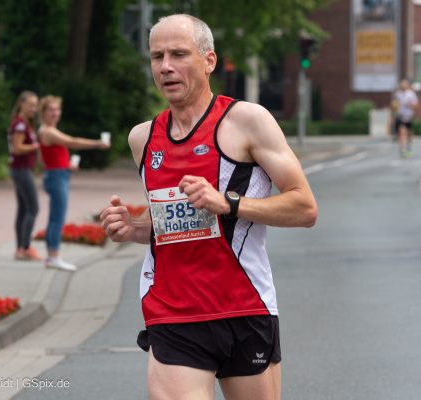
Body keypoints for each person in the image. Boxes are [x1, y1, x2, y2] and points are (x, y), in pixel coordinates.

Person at [99, 14, 317, 400]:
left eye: (179, 54)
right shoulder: (142, 139)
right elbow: (172, 221)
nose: (166, 66)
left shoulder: (248, 121)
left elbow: (304, 207)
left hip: (244, 307)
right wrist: (134, 228)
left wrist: (229, 203)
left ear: (209, 61)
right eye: (157, 56)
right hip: (173, 313)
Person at [38, 96, 110, 271]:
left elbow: (44, 158)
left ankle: (52, 256)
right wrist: (97, 143)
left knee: (55, 217)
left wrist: (66, 165)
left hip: (57, 174)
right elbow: (72, 142)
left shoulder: (46, 131)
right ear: (43, 112)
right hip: (56, 177)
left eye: (57, 109)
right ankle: (53, 257)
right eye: (51, 110)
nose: (55, 113)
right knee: (58, 218)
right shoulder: (48, 131)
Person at [8, 91, 42, 261]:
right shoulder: (20, 124)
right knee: (33, 208)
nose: (33, 109)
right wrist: (36, 146)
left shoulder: (23, 123)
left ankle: (20, 248)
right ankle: (25, 247)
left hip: (20, 169)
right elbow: (17, 148)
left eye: (35, 106)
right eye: (30, 105)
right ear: (21, 104)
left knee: (23, 209)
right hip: (21, 169)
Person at [393, 79, 418, 158]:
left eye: (405, 84)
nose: (403, 85)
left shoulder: (411, 94)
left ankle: (409, 147)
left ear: (407, 85)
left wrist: (409, 105)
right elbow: (394, 105)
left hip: (409, 116)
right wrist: (395, 108)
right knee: (402, 132)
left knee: (409, 133)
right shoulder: (397, 94)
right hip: (401, 116)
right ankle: (403, 148)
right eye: (402, 84)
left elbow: (415, 105)